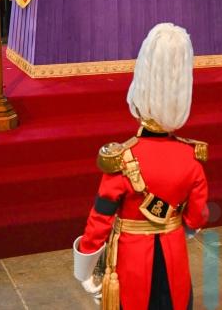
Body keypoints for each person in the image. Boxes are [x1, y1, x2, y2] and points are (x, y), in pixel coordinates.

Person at [72, 23, 209, 310]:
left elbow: (100, 219)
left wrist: (84, 268)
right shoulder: (190, 157)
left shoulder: (122, 159)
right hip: (174, 254)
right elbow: (196, 218)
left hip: (132, 261)